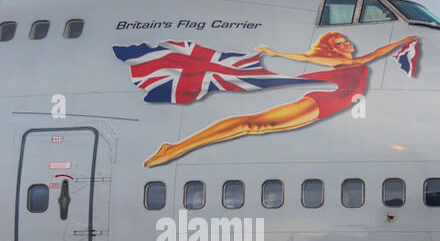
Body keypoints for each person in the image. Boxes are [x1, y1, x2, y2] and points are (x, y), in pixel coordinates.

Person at [143, 32, 421, 167]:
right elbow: (304, 58)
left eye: (345, 41)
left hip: (326, 109)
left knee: (256, 126)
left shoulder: (359, 60)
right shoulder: (332, 60)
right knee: (252, 125)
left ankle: (176, 147)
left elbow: (378, 52)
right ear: (331, 48)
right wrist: (274, 51)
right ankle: (175, 148)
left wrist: (403, 40)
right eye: (339, 42)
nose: (346, 44)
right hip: (320, 103)